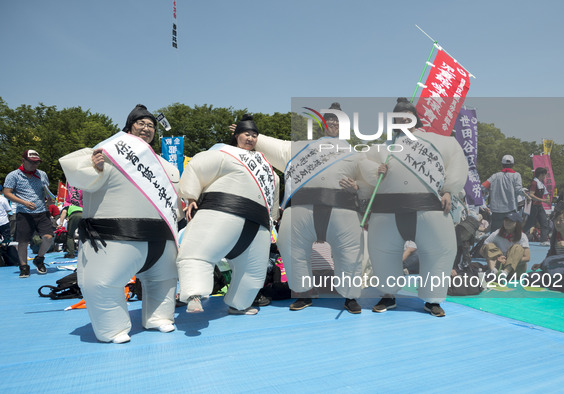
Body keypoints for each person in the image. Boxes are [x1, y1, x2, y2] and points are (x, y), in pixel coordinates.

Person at [59, 104, 181, 343]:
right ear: (129, 126)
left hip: (160, 239)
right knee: (103, 283)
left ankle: (159, 317)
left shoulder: (164, 166)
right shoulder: (107, 153)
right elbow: (80, 175)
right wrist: (93, 165)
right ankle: (113, 328)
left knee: (165, 281)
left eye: (151, 125)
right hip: (114, 237)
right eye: (141, 123)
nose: (147, 128)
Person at [250, 104, 366, 314]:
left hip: (342, 208)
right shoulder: (299, 148)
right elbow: (267, 142)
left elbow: (369, 182)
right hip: (300, 208)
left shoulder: (356, 153)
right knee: (291, 246)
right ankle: (303, 292)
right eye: (329, 119)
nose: (332, 123)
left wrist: (358, 187)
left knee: (350, 251)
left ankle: (350, 296)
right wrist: (245, 131)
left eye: (337, 120)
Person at [364, 98, 469, 317]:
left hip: (430, 209)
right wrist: (374, 171)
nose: (402, 121)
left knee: (439, 253)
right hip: (386, 212)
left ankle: (433, 300)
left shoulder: (441, 142)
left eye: (406, 117)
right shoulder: (380, 149)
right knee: (382, 253)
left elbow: (456, 161)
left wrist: (449, 189)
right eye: (397, 118)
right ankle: (387, 294)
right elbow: (362, 171)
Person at [176, 114, 280, 315]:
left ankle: (240, 303)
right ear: (237, 135)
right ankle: (194, 295)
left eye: (254, 135)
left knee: (253, 271)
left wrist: (273, 217)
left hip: (259, 222)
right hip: (223, 211)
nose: (250, 138)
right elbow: (198, 166)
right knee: (198, 253)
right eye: (246, 134)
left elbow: (274, 190)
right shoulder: (223, 152)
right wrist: (190, 197)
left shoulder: (266, 167)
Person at [3, 150, 54, 278]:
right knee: (23, 242)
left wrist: (49, 199)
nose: (34, 165)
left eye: (37, 163)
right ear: (23, 160)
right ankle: (24, 266)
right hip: (24, 213)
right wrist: (24, 202)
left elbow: (45, 190)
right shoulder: (13, 175)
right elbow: (7, 193)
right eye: (31, 162)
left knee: (48, 238)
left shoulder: (42, 174)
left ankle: (39, 258)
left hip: (42, 211)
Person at [481, 154, 526, 232]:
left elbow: (483, 187)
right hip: (510, 208)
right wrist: (528, 194)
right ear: (513, 164)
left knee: (495, 233)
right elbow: (518, 190)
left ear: (502, 164)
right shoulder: (516, 175)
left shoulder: (495, 176)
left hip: (496, 210)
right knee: (510, 232)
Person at [480, 211, 530, 279]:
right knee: (489, 246)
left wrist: (509, 260)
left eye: (511, 221)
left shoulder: (522, 236)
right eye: (506, 220)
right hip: (499, 266)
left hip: (515, 270)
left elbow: (527, 257)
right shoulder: (496, 233)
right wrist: (497, 258)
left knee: (517, 247)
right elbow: (483, 249)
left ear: (517, 223)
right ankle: (493, 271)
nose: (507, 223)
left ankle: (505, 273)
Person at [523, 167, 551, 245]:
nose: (545, 177)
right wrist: (543, 200)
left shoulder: (541, 183)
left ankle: (543, 240)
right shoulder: (534, 183)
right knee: (530, 223)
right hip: (534, 206)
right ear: (541, 174)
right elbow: (531, 195)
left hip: (539, 206)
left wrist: (547, 199)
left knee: (544, 223)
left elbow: (545, 193)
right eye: (544, 175)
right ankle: (519, 237)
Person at [58, 185, 83, 258]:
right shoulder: (81, 205)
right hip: (84, 215)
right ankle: (83, 252)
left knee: (70, 235)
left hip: (75, 216)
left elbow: (63, 213)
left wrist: (61, 224)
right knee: (82, 235)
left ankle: (71, 253)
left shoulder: (68, 206)